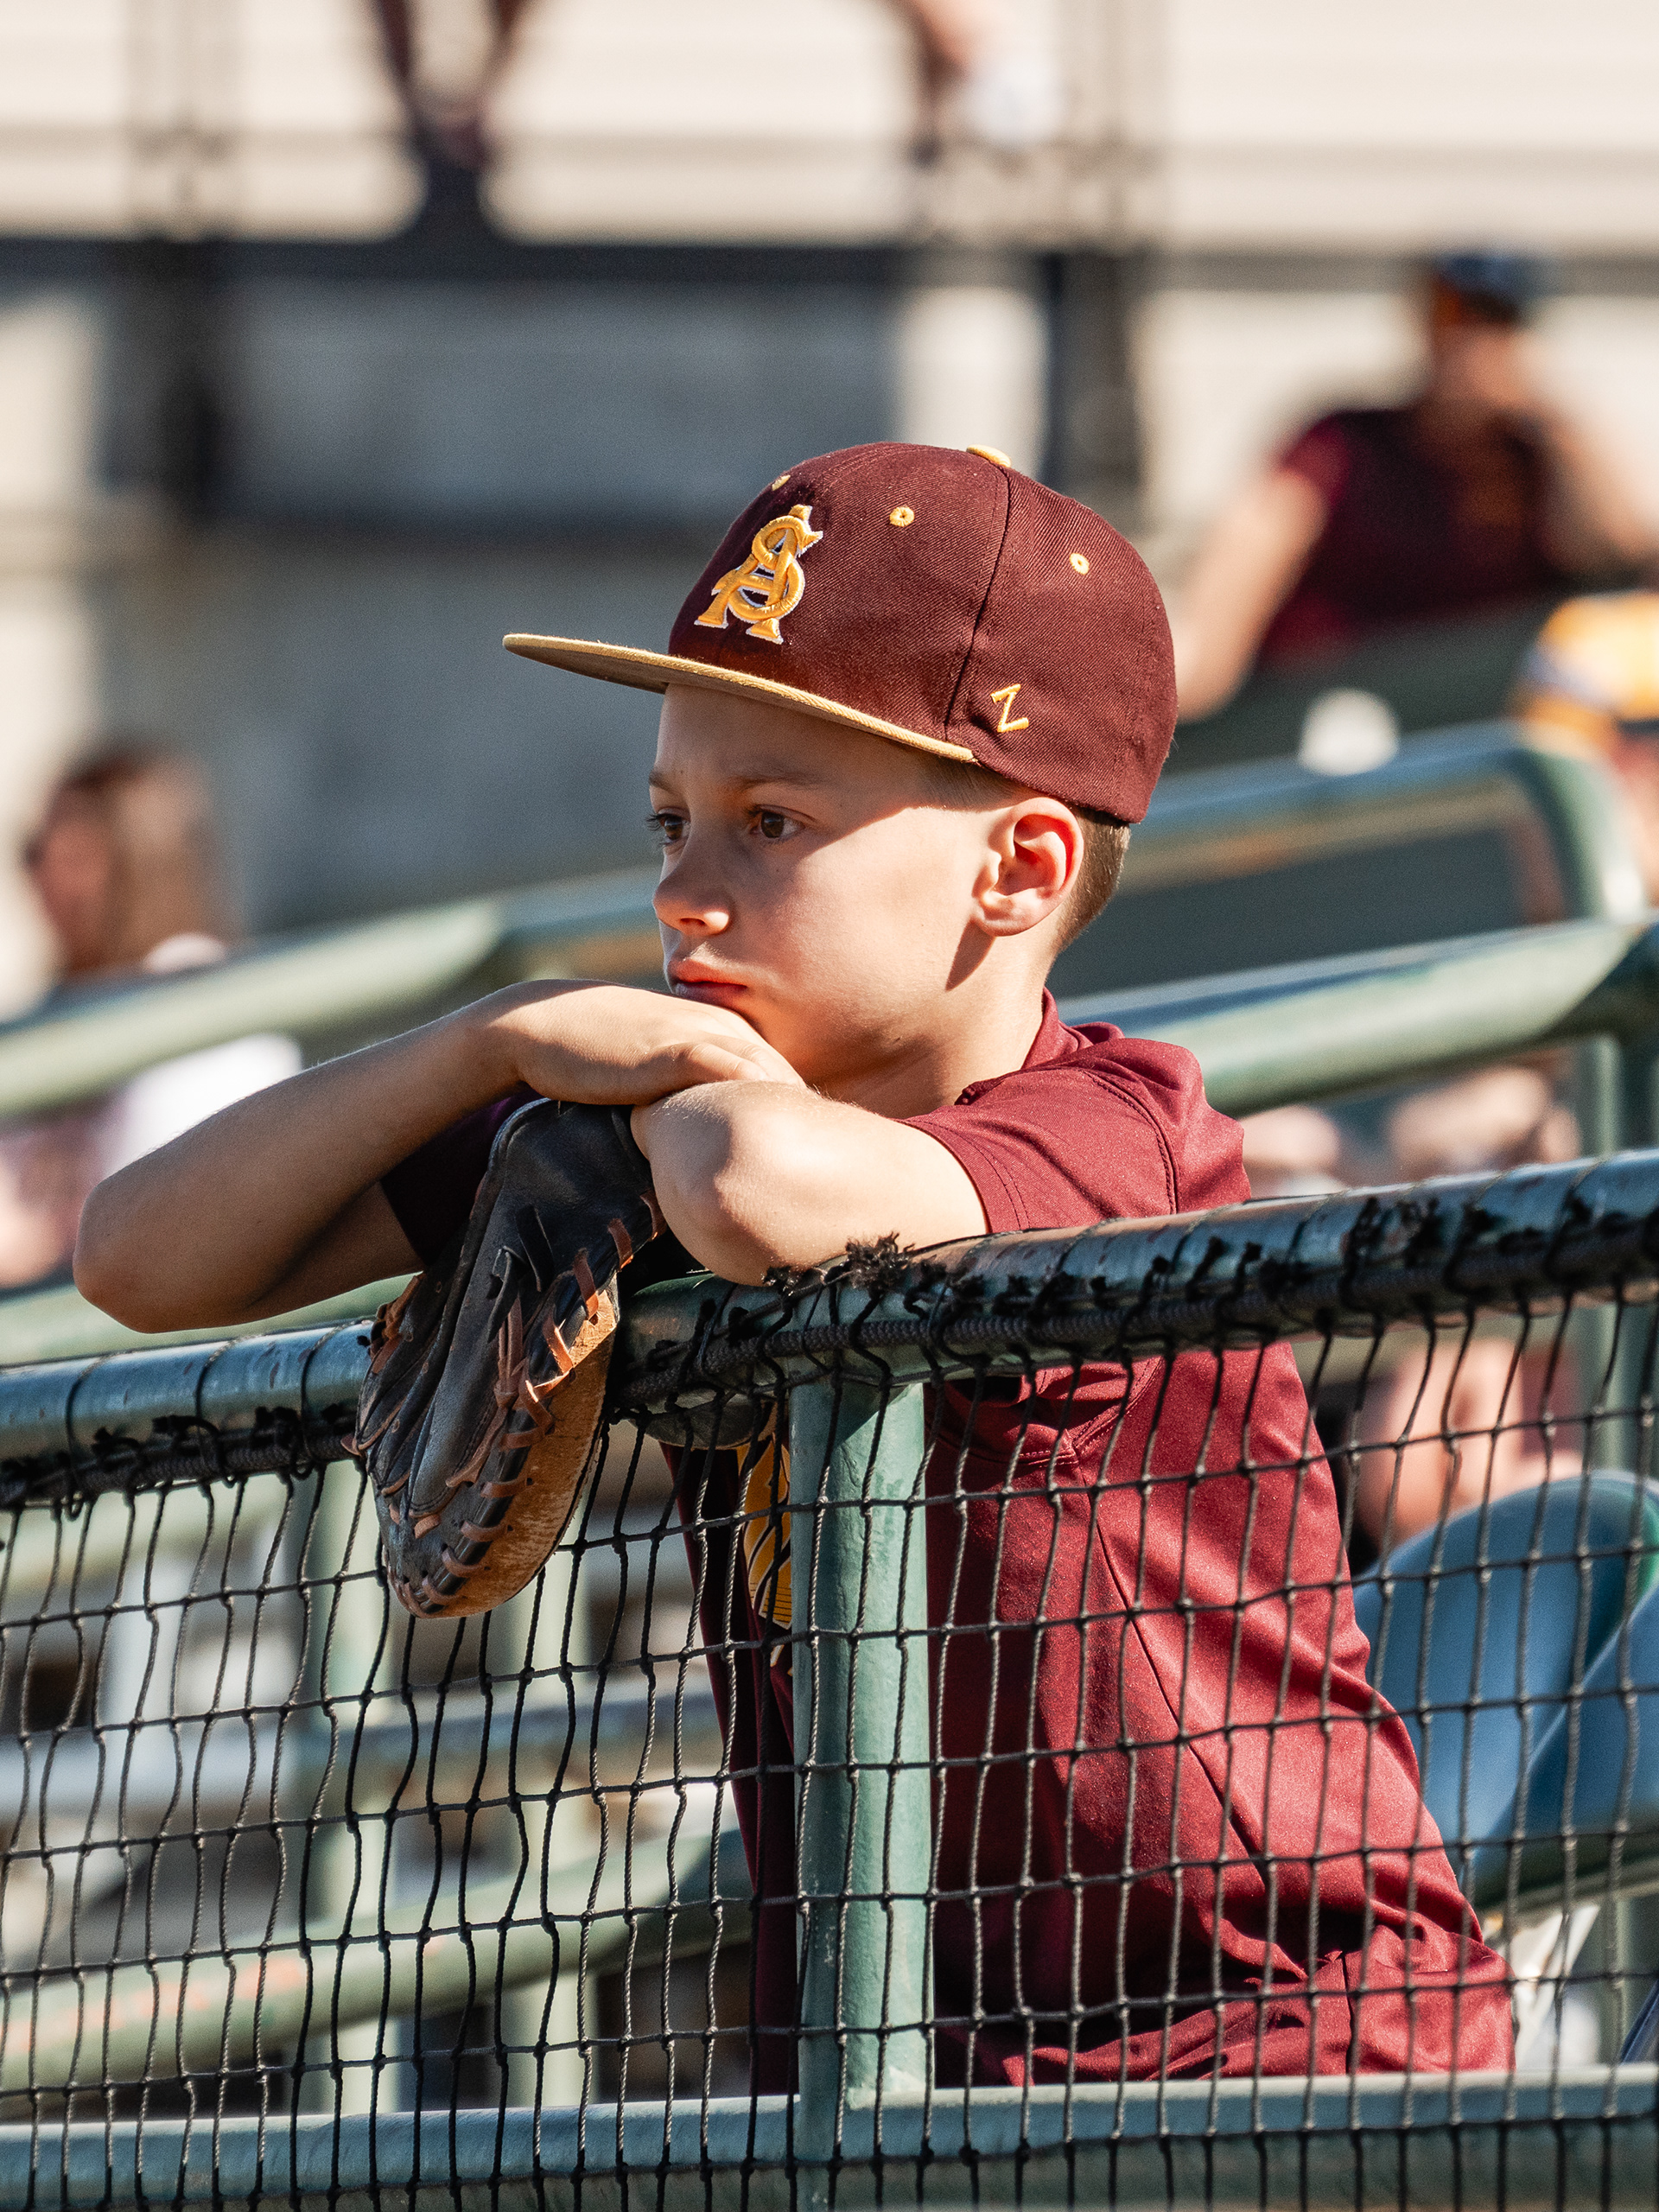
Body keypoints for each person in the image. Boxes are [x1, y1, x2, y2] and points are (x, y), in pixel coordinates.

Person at [74, 443, 1510, 2082]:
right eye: (671, 820)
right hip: (927, 2053)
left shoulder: (1123, 1127)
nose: (687, 895)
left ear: (1018, 870)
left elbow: (762, 1188)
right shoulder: (655, 1115)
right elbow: (139, 1251)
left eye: (773, 824)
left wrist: (648, 1091)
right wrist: (492, 1040)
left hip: (1279, 2044)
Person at [1175, 251, 1658, 720]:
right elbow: (1253, 544)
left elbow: (1616, 554)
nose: (1468, 342)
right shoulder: (1343, 441)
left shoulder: (1538, 458)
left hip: (1479, 726)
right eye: (1451, 316)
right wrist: (1191, 674)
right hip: (1325, 714)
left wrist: (1554, 423)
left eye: (1493, 321)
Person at [0, 747, 299, 1290]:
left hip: (147, 1339)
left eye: (60, 855)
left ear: (138, 861)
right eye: (30, 852)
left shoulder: (206, 1004)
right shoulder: (59, 1009)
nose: (35, 878)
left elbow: (160, 1230)